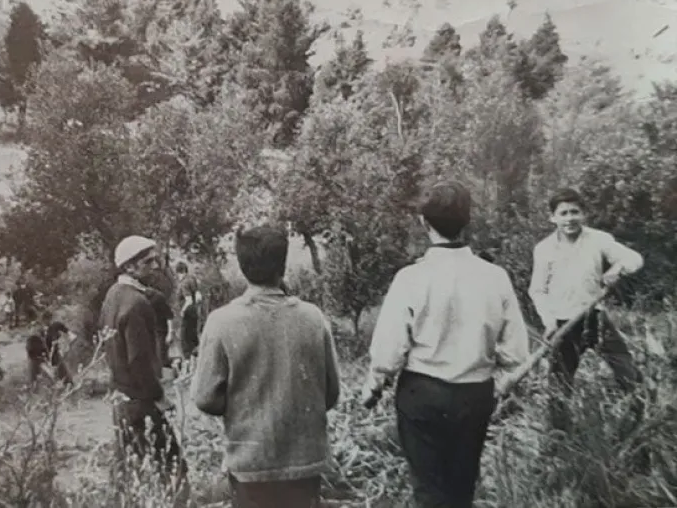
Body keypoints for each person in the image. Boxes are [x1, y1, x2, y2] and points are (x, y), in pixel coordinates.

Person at [360, 181, 530, 508]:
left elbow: (389, 348)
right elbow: (515, 353)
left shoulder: (411, 278)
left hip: (421, 395)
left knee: (428, 490)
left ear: (424, 224)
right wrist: (496, 384)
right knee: (461, 489)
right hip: (474, 395)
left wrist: (374, 384)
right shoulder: (495, 277)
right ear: (468, 223)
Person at [191, 225, 341, 508]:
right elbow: (331, 393)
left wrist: (243, 403)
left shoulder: (222, 322)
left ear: (242, 264)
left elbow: (205, 398)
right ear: (281, 265)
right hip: (305, 460)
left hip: (251, 461)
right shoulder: (313, 318)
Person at [528, 187, 645, 435]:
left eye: (575, 212)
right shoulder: (544, 249)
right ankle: (558, 442)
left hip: (596, 319)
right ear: (553, 218)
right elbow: (537, 290)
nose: (569, 218)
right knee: (559, 387)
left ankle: (637, 434)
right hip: (563, 325)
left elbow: (635, 258)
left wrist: (618, 269)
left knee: (630, 376)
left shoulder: (599, 239)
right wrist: (548, 321)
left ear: (583, 215)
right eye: (563, 213)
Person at [99, 235, 188, 501]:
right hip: (141, 401)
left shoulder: (112, 296)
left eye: (156, 260)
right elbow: (139, 359)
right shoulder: (138, 303)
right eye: (148, 261)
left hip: (122, 400)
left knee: (130, 473)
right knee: (174, 472)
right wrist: (159, 396)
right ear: (129, 267)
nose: (156, 266)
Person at [25, 314, 73, 388]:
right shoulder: (33, 339)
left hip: (53, 355)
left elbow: (60, 326)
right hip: (38, 359)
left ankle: (68, 385)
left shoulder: (52, 327)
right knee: (37, 378)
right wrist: (44, 361)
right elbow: (32, 352)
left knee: (62, 371)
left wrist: (69, 334)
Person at [174, 262, 202, 362]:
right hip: (194, 312)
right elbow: (199, 297)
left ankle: (188, 362)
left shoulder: (184, 283)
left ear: (179, 272)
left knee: (184, 339)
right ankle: (197, 359)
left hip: (187, 313)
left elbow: (188, 300)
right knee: (193, 337)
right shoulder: (192, 279)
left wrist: (182, 311)